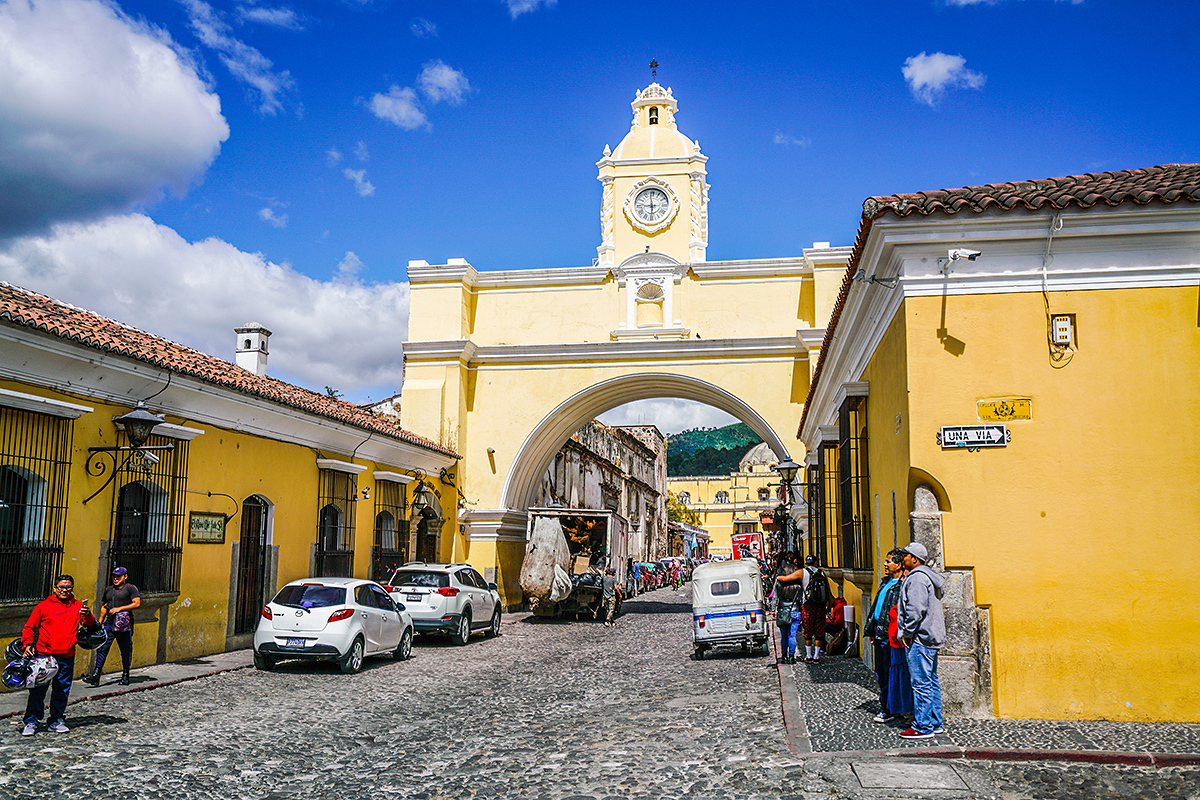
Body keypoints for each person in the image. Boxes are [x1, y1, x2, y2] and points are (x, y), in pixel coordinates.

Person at [20, 574, 96, 736]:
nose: (64, 590)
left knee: (61, 690)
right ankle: (31, 721)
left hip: (67, 655)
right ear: (55, 589)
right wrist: (27, 644)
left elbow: (90, 624)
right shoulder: (43, 606)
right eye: (61, 587)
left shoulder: (77, 606)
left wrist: (87, 614)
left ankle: (56, 720)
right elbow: (29, 627)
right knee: (38, 690)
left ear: (72, 589)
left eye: (68, 587)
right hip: (44, 656)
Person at [896, 541, 946, 739]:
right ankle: (935, 722)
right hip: (931, 636)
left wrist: (907, 632)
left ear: (914, 559)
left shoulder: (917, 579)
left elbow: (915, 610)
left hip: (920, 638)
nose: (903, 558)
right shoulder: (929, 577)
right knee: (931, 680)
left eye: (906, 555)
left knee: (921, 683)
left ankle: (923, 726)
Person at [865, 549, 907, 723]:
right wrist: (871, 631)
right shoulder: (886, 583)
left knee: (890, 672)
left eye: (889, 561)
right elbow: (877, 608)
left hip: (891, 637)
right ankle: (889, 705)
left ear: (899, 564)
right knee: (881, 672)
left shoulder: (902, 585)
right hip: (880, 635)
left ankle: (888, 708)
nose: (885, 564)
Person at [83, 566, 140, 686]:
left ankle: (125, 675)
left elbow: (136, 603)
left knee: (125, 650)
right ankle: (96, 675)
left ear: (125, 576)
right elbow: (104, 606)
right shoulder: (109, 590)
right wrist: (99, 622)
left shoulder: (130, 588)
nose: (115, 579)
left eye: (118, 576)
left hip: (124, 625)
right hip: (109, 624)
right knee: (102, 648)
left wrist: (120, 608)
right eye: (114, 576)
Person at [770, 555, 802, 663]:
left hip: (783, 610)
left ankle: (784, 656)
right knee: (792, 635)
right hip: (795, 610)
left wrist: (773, 610)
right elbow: (802, 599)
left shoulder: (779, 583)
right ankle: (792, 657)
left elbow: (775, 598)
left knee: (784, 636)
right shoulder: (798, 584)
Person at [800, 556, 829, 662]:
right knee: (819, 630)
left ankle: (808, 655)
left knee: (808, 630)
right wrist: (828, 604)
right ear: (816, 562)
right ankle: (816, 656)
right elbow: (827, 590)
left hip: (808, 605)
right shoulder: (822, 573)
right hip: (820, 605)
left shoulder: (802, 572)